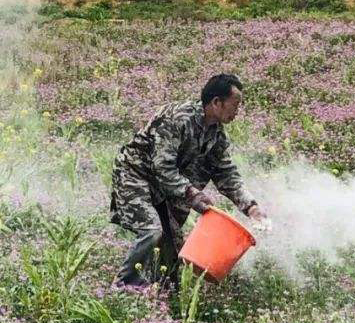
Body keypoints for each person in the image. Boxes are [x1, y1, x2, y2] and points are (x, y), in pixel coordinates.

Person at [111, 73, 267, 287]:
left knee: (174, 248)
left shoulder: (217, 137)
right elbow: (162, 166)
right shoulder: (177, 118)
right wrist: (192, 194)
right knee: (152, 230)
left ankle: (161, 297)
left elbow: (226, 174)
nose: (237, 112)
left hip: (167, 188)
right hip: (136, 175)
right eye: (235, 105)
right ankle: (123, 288)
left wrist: (251, 207)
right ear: (216, 102)